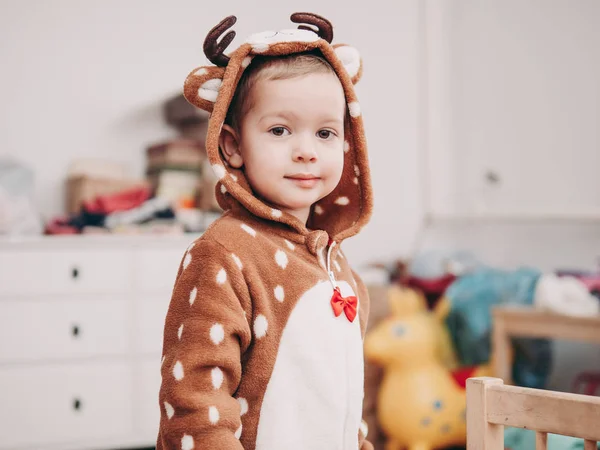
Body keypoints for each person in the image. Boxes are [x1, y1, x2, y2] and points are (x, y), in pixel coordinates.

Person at [157, 12, 374, 450]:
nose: (306, 152)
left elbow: (345, 401)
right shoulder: (223, 253)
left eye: (326, 133)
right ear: (234, 146)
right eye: (280, 130)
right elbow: (196, 403)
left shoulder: (336, 265)